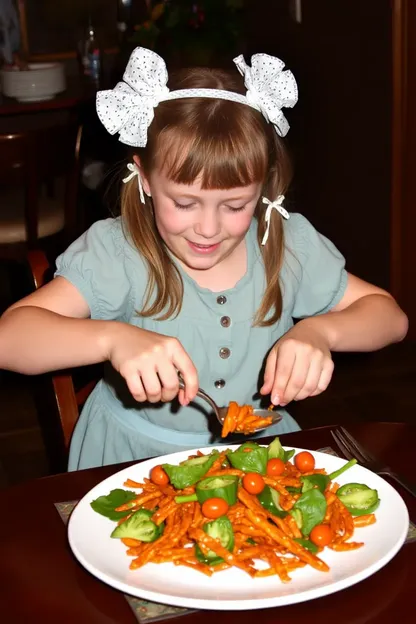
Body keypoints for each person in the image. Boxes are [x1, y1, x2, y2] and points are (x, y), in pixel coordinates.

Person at [0, 48, 408, 470]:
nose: (208, 228)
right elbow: (8, 340)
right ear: (144, 178)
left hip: (259, 456)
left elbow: (391, 320)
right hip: (131, 462)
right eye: (185, 202)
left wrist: (324, 333)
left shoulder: (285, 244)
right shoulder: (117, 251)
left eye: (234, 206)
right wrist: (111, 340)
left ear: (262, 188)